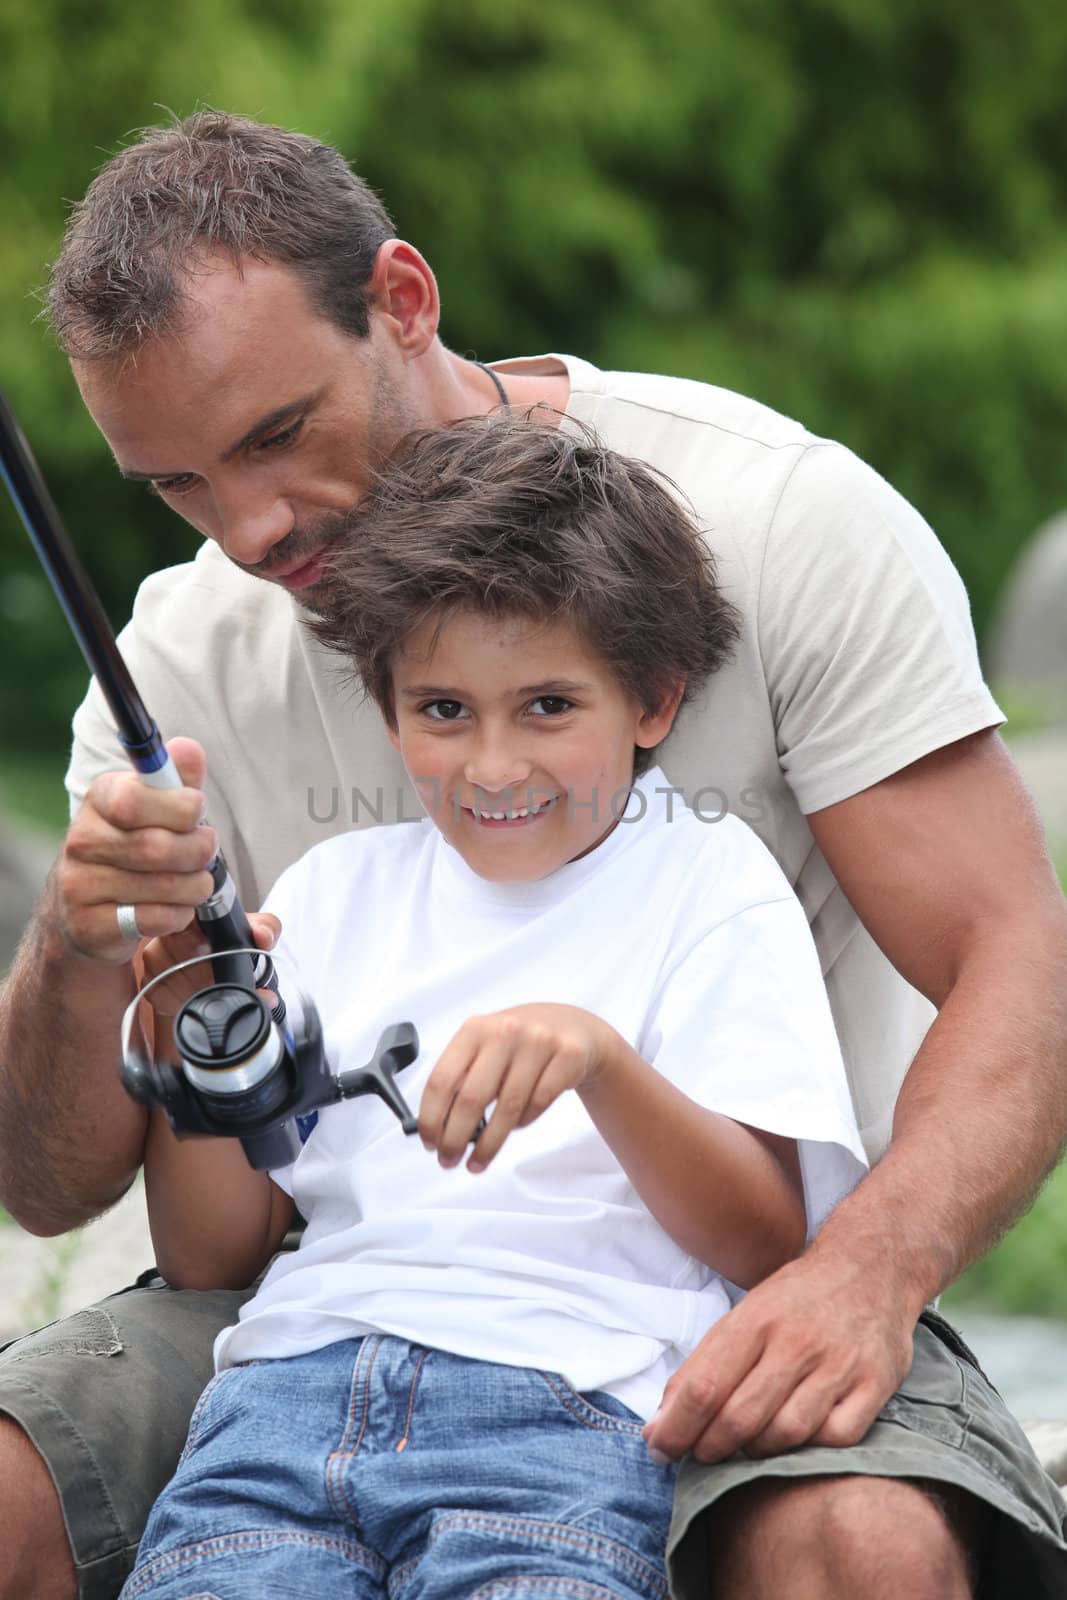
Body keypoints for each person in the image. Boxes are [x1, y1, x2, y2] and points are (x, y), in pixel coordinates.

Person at [0, 110, 1065, 1600]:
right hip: (316, 1319)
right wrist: (85, 945)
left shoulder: (774, 521)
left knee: (859, 1542)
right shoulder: (182, 657)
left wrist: (864, 1275)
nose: (244, 529)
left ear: (404, 300)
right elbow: (64, 1196)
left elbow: (1016, 962)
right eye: (172, 485)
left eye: (274, 435)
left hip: (699, 1298)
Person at [117, 415, 870, 1599]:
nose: (494, 765)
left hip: (563, 1427)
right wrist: (188, 993)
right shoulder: (328, 892)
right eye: (444, 710)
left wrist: (597, 1062)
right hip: (279, 1407)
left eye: (549, 706)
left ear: (654, 698)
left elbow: (769, 1240)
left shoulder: (708, 883)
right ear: (387, 708)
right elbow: (209, 1249)